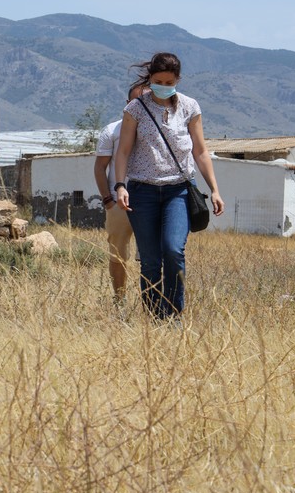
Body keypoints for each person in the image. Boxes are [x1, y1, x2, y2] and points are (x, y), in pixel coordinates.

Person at [113, 52, 225, 321]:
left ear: (178, 80)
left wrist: (214, 189)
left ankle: (174, 314)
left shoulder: (190, 107)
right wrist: (120, 185)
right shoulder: (135, 109)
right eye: (158, 80)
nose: (163, 85)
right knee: (150, 259)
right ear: (150, 78)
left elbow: (200, 151)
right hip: (143, 191)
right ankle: (155, 316)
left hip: (179, 190)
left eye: (169, 80)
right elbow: (124, 151)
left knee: (173, 250)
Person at [93, 85, 148, 305]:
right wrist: (108, 200)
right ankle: (120, 300)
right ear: (128, 105)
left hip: (148, 203)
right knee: (117, 255)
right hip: (118, 205)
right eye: (137, 103)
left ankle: (150, 302)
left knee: (150, 258)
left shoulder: (158, 134)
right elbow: (100, 167)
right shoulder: (112, 131)